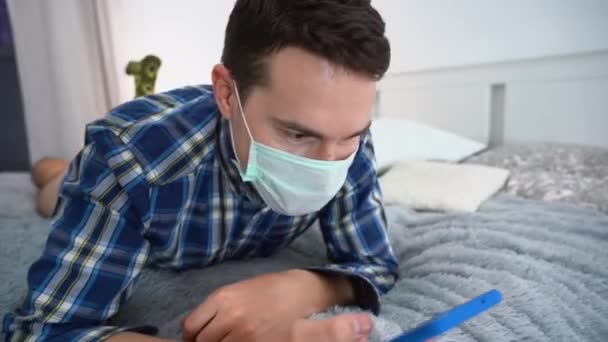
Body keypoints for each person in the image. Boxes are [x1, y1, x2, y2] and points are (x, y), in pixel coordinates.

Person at [4, 0, 398, 341]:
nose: (327, 163)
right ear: (227, 95)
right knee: (54, 188)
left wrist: (302, 288)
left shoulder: (345, 138)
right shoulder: (127, 163)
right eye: (296, 134)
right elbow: (44, 330)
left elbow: (375, 263)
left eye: (349, 136)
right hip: (95, 179)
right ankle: (52, 169)